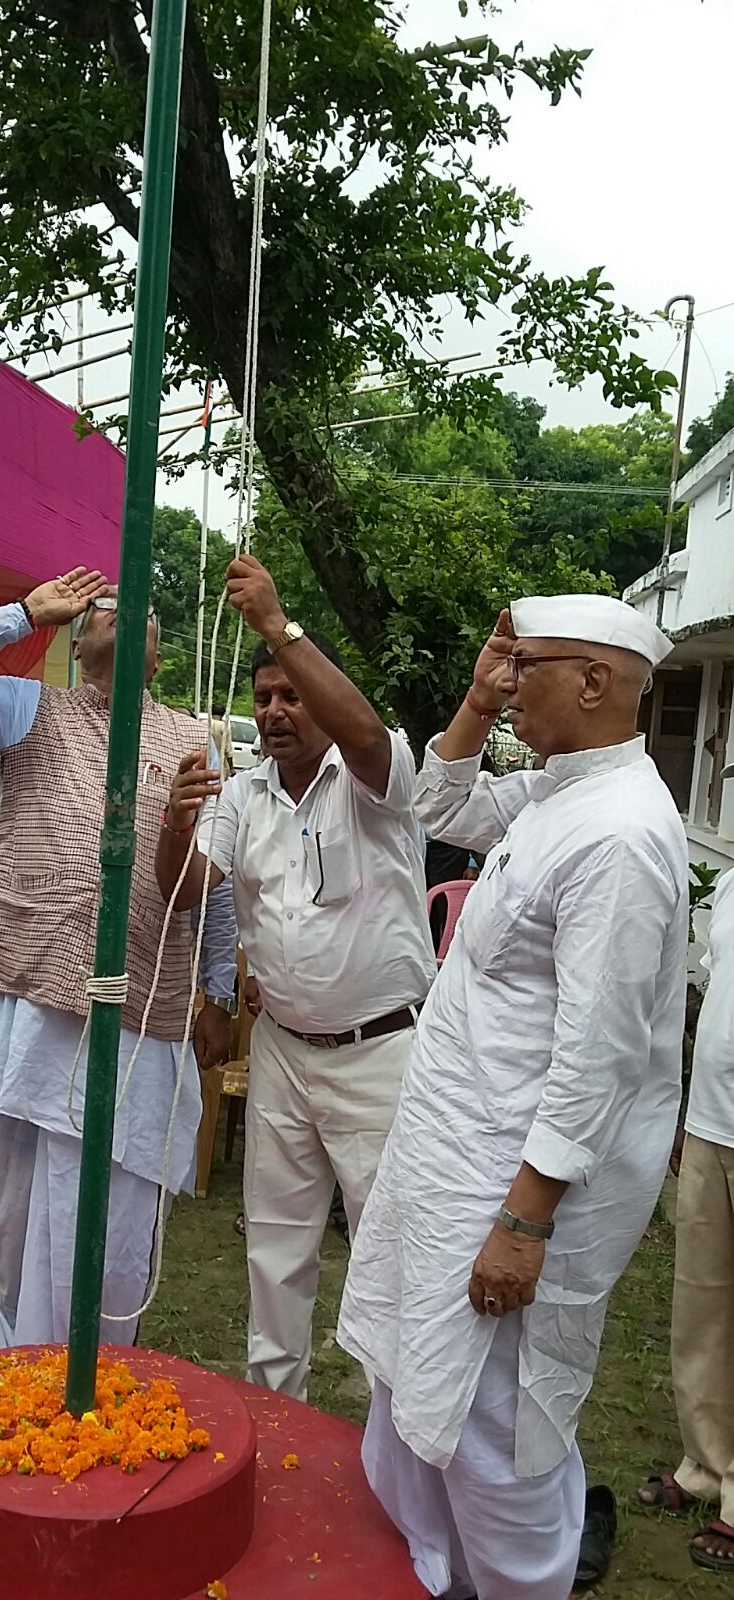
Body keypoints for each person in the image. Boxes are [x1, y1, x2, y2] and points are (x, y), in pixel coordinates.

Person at [337, 594, 688, 1600]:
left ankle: (519, 1583)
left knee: (494, 1420)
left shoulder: (619, 833)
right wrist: (478, 701)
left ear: (593, 680)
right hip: (458, 1154)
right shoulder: (560, 792)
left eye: (525, 664)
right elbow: (440, 809)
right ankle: (438, 1568)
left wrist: (524, 1221)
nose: (505, 677)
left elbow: (598, 1055)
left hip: (515, 1182)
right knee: (422, 1375)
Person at [0, 569, 238, 1349]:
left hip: (132, 1002)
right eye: (102, 609)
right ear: (78, 642)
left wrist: (217, 983)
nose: (120, 614)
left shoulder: (191, 738)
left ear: (157, 657)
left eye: (140, 613)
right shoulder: (28, 710)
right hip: (19, 990)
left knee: (111, 1207)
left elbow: (206, 887)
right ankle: (27, 1358)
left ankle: (95, 1367)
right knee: (6, 1193)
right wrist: (23, 613)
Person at [156, 553, 436, 1399]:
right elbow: (186, 888)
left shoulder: (372, 783)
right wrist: (176, 822)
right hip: (279, 1047)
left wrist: (279, 626)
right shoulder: (242, 795)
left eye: (292, 695)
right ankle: (276, 1415)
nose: (277, 711)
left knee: (392, 1252)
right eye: (265, 697)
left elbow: (365, 732)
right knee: (274, 1248)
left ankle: (401, 1438)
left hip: (379, 1054)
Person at [636, 864, 734, 1572]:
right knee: (701, 1307)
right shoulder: (730, 886)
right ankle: (705, 1462)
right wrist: (683, 1114)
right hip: (712, 1122)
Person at [210, 702, 235, 778]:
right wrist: (231, 768)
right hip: (220, 765)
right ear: (223, 714)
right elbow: (228, 750)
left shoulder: (204, 723)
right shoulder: (224, 727)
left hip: (205, 762)